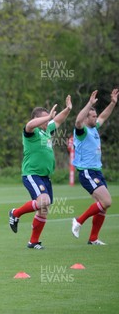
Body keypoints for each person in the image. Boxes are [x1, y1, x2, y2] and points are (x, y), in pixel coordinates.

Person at [8, 95, 72, 249]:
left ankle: (33, 242)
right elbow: (29, 125)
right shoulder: (32, 132)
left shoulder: (46, 131)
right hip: (32, 174)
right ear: (37, 120)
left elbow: (58, 120)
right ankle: (15, 213)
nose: (47, 122)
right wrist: (48, 116)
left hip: (45, 177)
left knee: (43, 209)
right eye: (43, 119)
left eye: (47, 119)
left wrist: (68, 109)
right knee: (44, 201)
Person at [71, 89, 117, 245]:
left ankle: (93, 238)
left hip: (97, 171)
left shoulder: (94, 128)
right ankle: (78, 221)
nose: (96, 118)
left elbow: (104, 116)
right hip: (87, 173)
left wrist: (113, 103)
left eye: (95, 115)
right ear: (86, 117)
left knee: (102, 207)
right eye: (93, 116)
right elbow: (77, 121)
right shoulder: (82, 131)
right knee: (107, 201)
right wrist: (89, 104)